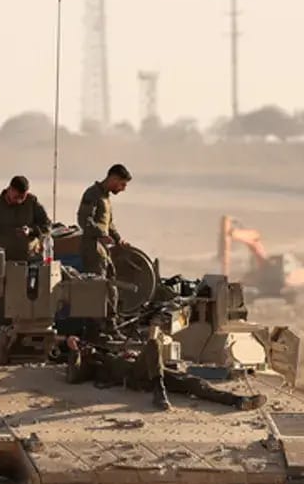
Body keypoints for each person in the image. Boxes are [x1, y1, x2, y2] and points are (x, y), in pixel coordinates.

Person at [64, 329, 267, 412]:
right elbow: (74, 376)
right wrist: (75, 352)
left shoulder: (110, 350)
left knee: (194, 384)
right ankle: (159, 392)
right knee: (153, 343)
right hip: (135, 375)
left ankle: (238, 401)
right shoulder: (96, 363)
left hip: (153, 371)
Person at [76, 164, 132, 333]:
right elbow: (84, 219)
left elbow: (108, 224)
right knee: (97, 288)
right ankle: (96, 329)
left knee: (110, 285)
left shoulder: (105, 197)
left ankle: (110, 325)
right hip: (92, 247)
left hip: (103, 249)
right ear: (113, 178)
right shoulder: (92, 194)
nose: (122, 189)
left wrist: (118, 239)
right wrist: (100, 234)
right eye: (121, 184)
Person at [0, 175, 52, 262]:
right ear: (10, 190)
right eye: (16, 197)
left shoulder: (32, 203)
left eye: (22, 198)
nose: (19, 201)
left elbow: (47, 226)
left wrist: (31, 231)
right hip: (5, 261)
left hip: (30, 260)